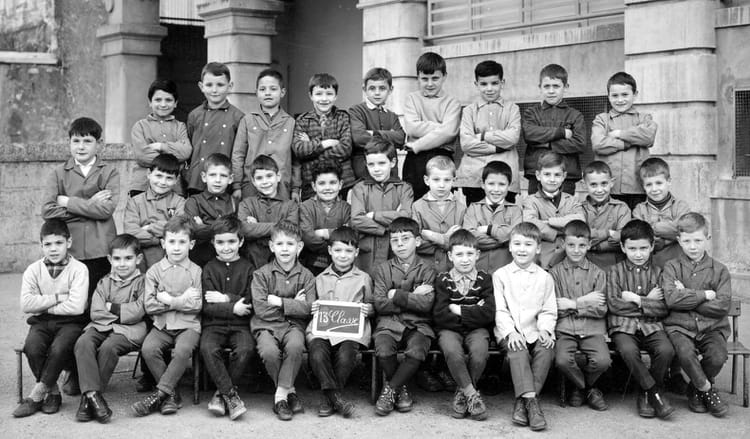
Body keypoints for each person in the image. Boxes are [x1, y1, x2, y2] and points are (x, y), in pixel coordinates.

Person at [14, 219, 88, 418]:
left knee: (59, 348)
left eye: (59, 243)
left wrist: (43, 305)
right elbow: (26, 304)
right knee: (32, 347)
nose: (53, 249)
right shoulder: (33, 270)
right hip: (42, 322)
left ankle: (36, 395)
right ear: (41, 245)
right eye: (47, 244)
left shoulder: (79, 269)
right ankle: (53, 392)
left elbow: (76, 306)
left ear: (69, 242)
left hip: (71, 322)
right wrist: (58, 298)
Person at [132, 216, 203, 417]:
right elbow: (150, 305)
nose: (177, 247)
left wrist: (167, 300)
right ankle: (172, 394)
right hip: (162, 326)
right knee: (149, 349)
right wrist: (181, 300)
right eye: (172, 242)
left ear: (191, 244)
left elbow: (196, 306)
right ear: (163, 244)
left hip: (188, 326)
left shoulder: (196, 271)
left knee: (182, 351)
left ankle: (160, 394)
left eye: (182, 242)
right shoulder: (154, 271)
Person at [662, 212, 731, 418]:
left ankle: (694, 388)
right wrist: (704, 295)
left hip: (712, 326)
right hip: (679, 326)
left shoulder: (720, 270)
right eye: (687, 241)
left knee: (718, 356)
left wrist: (687, 296)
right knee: (684, 352)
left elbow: (722, 306)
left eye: (698, 241)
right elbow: (671, 300)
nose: (693, 246)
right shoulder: (672, 267)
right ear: (679, 240)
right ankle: (707, 390)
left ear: (707, 238)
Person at [73, 234, 147, 423]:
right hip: (101, 325)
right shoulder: (104, 282)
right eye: (117, 259)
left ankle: (88, 400)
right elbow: (96, 312)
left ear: (138, 259)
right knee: (83, 342)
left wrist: (111, 307)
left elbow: (138, 311)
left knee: (109, 347)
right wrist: (122, 312)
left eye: (128, 258)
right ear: (110, 259)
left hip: (130, 331)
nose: (122, 264)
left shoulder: (143, 282)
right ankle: (93, 396)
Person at [42, 117, 118, 298]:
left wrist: (68, 202)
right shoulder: (57, 173)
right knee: (72, 297)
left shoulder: (109, 172)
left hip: (100, 247)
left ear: (99, 144)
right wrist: (91, 204)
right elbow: (48, 211)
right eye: (76, 141)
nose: (81, 147)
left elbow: (105, 210)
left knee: (97, 296)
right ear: (69, 142)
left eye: (87, 141)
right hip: (71, 246)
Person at [607, 219, 675, 419]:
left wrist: (637, 299)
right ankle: (653, 392)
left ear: (652, 246)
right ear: (623, 247)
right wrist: (649, 302)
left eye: (644, 248)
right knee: (628, 350)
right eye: (632, 248)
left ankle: (645, 392)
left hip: (652, 326)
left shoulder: (659, 272)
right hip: (622, 327)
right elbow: (614, 305)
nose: (638, 254)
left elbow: (664, 308)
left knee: (666, 350)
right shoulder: (614, 272)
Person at [493, 222, 557, 431]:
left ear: (538, 248)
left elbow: (548, 310)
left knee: (546, 348)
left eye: (528, 245)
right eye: (517, 244)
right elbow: (500, 310)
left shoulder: (545, 278)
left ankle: (523, 403)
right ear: (510, 246)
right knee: (517, 349)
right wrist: (510, 332)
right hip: (508, 331)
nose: (522, 249)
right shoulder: (500, 275)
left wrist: (545, 329)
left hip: (535, 330)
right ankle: (532, 404)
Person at [250, 221, 315, 421]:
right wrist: (294, 305)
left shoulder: (307, 276)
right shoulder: (261, 274)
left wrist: (279, 302)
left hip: (293, 326)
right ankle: (290, 390)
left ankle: (280, 397)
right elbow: (261, 309)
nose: (285, 249)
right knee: (269, 352)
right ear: (272, 246)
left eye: (290, 244)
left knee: (295, 346)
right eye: (279, 244)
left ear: (299, 247)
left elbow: (310, 308)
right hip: (266, 326)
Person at [372, 217, 436, 416]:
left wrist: (396, 295)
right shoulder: (383, 269)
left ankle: (390, 390)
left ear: (417, 241)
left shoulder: (428, 268)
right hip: (388, 324)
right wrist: (413, 296)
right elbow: (380, 304)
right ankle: (402, 390)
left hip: (419, 324)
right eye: (394, 240)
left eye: (405, 239)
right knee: (383, 349)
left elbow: (427, 304)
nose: (399, 244)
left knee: (417, 350)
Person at [307, 226, 373, 418]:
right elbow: (312, 304)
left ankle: (328, 398)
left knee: (346, 356)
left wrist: (368, 309)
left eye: (348, 251)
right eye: (338, 250)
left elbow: (372, 304)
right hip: (323, 330)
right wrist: (313, 307)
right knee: (317, 353)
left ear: (356, 253)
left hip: (351, 331)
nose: (343, 255)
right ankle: (335, 398)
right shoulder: (320, 278)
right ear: (329, 250)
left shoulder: (364, 278)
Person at [433, 229, 495, 421]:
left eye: (470, 254)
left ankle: (462, 393)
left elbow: (488, 314)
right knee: (452, 351)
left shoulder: (485, 279)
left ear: (477, 254)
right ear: (450, 256)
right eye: (459, 254)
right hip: (449, 330)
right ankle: (471, 394)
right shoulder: (443, 280)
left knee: (479, 352)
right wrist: (474, 311)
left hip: (477, 330)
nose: (465, 259)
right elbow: (440, 315)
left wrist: (459, 310)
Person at [549, 220, 610, 411]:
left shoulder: (598, 273)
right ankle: (587, 388)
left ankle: (579, 388)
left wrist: (573, 304)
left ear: (589, 245)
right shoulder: (555, 273)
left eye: (582, 245)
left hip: (592, 329)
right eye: (571, 245)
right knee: (561, 360)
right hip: (565, 328)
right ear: (563, 244)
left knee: (603, 361)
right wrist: (585, 301)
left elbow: (601, 309)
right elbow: (556, 307)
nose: (576, 250)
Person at [199, 215, 254, 421]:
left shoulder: (248, 268)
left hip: (241, 326)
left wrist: (225, 299)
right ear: (213, 243)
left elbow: (249, 302)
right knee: (208, 348)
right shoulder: (209, 269)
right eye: (220, 242)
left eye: (231, 241)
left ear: (241, 241)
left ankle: (219, 394)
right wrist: (234, 307)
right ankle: (230, 395)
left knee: (246, 348)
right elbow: (207, 306)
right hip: (213, 326)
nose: (226, 247)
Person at [458, 60, 521, 204]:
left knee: (505, 216)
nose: (489, 89)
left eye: (494, 83)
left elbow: (512, 138)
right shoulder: (469, 111)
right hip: (475, 178)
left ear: (502, 83)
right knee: (475, 215)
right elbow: (466, 144)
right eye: (484, 84)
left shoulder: (513, 109)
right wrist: (498, 148)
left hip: (505, 176)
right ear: (476, 84)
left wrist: (483, 136)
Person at [592, 71, 657, 209]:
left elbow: (648, 137)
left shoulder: (644, 118)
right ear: (608, 96)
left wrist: (619, 133)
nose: (620, 100)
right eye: (615, 95)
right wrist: (626, 143)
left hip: (637, 186)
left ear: (635, 94)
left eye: (625, 95)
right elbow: (598, 144)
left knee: (636, 220)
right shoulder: (602, 119)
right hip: (608, 186)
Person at [402, 51, 461, 199]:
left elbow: (449, 133)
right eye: (424, 79)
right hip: (415, 161)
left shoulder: (452, 103)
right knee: (414, 202)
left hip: (442, 157)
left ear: (444, 76)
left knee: (442, 202)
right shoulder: (411, 99)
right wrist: (442, 128)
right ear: (418, 77)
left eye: (435, 78)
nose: (429, 84)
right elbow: (412, 128)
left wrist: (417, 144)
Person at [232, 69, 298, 200]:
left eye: (273, 89)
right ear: (256, 92)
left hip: (281, 186)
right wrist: (237, 185)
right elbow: (238, 155)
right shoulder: (247, 120)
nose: (267, 93)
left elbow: (296, 161)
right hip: (251, 186)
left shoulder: (291, 123)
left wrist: (295, 188)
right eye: (262, 89)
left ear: (282, 92)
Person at [350, 138, 413, 272]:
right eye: (371, 164)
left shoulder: (404, 188)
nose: (376, 169)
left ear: (392, 162)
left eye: (381, 163)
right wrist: (384, 229)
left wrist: (374, 215)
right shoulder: (360, 188)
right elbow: (356, 220)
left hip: (393, 249)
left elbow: (406, 217)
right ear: (366, 164)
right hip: (367, 250)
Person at [521, 63, 585, 195]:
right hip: (536, 175)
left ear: (566, 87)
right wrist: (561, 133)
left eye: (556, 86)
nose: (551, 91)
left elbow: (579, 143)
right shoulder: (531, 113)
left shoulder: (575, 115)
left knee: (564, 207)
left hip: (566, 177)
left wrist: (546, 143)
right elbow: (529, 134)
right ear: (540, 88)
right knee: (535, 207)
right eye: (546, 86)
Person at [292, 73, 354, 201]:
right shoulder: (302, 120)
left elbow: (345, 148)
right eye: (319, 94)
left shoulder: (343, 117)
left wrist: (311, 148)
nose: (324, 99)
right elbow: (299, 150)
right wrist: (326, 143)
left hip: (342, 183)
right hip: (312, 184)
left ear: (336, 96)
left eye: (329, 94)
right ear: (311, 96)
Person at [186, 62, 245, 195]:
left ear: (230, 86)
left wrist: (237, 185)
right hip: (197, 181)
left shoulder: (238, 117)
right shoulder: (194, 115)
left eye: (220, 85)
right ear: (201, 86)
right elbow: (190, 149)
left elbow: (239, 154)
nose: (214, 90)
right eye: (209, 85)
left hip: (225, 182)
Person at [522, 151, 585, 269]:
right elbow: (531, 224)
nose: (552, 179)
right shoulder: (530, 201)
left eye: (557, 175)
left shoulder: (572, 200)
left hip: (568, 261)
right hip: (542, 261)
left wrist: (549, 222)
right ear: (538, 175)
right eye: (547, 174)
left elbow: (580, 221)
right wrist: (558, 232)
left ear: (564, 176)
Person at [129, 79, 191, 197]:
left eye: (168, 100)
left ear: (175, 103)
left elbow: (185, 152)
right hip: (143, 186)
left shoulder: (180, 127)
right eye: (158, 100)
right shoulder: (140, 126)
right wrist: (173, 159)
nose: (163, 104)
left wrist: (161, 147)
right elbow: (142, 155)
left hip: (174, 187)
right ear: (150, 102)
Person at [124, 153, 186, 269]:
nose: (162, 182)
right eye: (159, 176)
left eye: (169, 178)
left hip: (172, 262)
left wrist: (149, 227)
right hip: (142, 262)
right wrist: (157, 240)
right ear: (149, 174)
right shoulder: (135, 202)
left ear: (176, 180)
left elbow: (178, 229)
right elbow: (131, 233)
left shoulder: (180, 202)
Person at [237, 155, 299, 269]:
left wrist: (257, 226)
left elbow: (290, 230)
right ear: (253, 181)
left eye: (269, 176)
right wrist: (280, 225)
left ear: (278, 176)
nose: (265, 182)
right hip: (253, 263)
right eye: (259, 178)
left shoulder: (291, 206)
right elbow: (244, 229)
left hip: (283, 265)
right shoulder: (246, 204)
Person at [462, 160, 522, 273]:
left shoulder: (515, 210)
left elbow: (516, 237)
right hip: (477, 270)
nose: (496, 189)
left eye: (502, 184)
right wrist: (504, 240)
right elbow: (470, 238)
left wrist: (488, 229)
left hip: (506, 270)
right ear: (483, 184)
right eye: (491, 184)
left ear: (509, 185)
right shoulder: (473, 208)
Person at [348, 67, 405, 180]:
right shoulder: (357, 111)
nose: (377, 93)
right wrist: (390, 135)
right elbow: (359, 138)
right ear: (364, 89)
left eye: (382, 88)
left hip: (390, 174)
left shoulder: (392, 116)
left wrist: (373, 133)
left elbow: (401, 138)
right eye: (372, 88)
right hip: (365, 172)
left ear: (390, 90)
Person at [632, 157, 690, 268]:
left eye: (659, 183)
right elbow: (639, 235)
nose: (654, 189)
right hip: (649, 267)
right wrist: (668, 232)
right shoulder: (639, 210)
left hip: (677, 265)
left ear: (669, 181)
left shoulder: (681, 206)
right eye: (649, 184)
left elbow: (682, 230)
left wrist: (652, 228)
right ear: (643, 186)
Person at [412, 155, 466, 273]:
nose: (441, 185)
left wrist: (432, 236)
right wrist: (444, 240)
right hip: (425, 267)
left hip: (453, 268)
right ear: (426, 180)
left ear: (454, 181)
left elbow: (463, 244)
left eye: (447, 180)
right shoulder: (417, 206)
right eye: (436, 179)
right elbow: (415, 243)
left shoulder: (461, 208)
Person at [299, 160, 351, 275]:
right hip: (311, 265)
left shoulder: (347, 208)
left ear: (340, 184)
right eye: (322, 183)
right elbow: (308, 238)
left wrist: (325, 232)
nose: (327, 188)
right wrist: (335, 246)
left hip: (342, 265)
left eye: (332, 183)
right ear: (314, 186)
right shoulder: (305, 207)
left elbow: (349, 235)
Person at [185, 153, 237, 267]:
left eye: (223, 176)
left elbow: (238, 230)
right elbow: (194, 231)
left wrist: (205, 226)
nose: (217, 180)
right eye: (212, 175)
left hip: (228, 259)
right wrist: (225, 227)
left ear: (230, 179)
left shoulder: (234, 202)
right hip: (200, 259)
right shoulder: (194, 201)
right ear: (204, 177)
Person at [581, 161, 631, 269]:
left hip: (615, 265)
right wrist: (608, 233)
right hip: (585, 265)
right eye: (593, 185)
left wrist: (597, 246)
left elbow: (623, 238)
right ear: (584, 185)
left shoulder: (621, 208)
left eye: (604, 184)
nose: (599, 190)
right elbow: (581, 237)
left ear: (611, 182)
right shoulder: (579, 208)